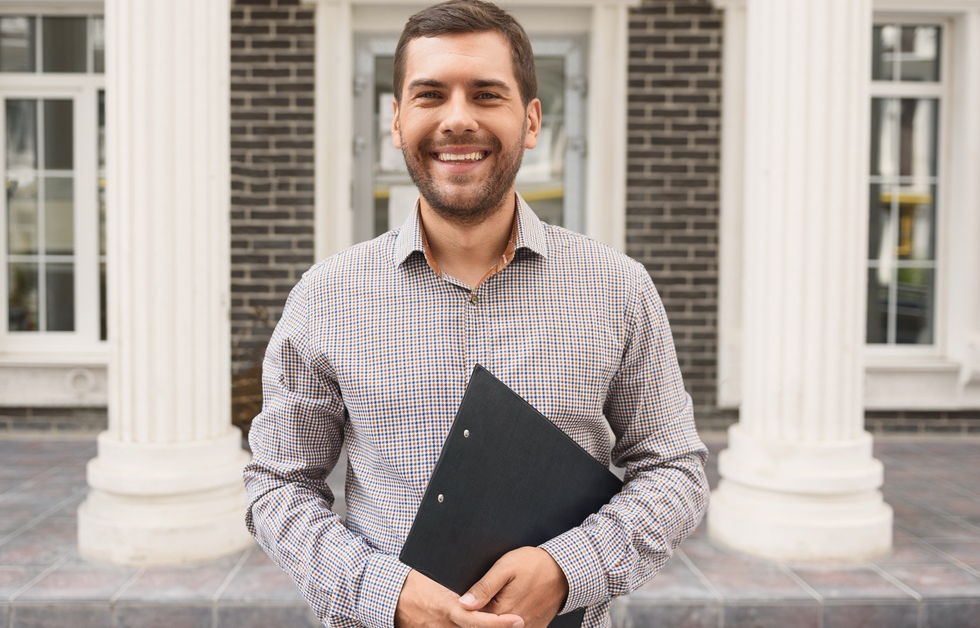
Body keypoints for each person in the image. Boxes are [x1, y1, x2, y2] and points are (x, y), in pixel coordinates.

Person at [243, 1, 709, 626]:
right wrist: (387, 594)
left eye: (487, 94)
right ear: (396, 119)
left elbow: (674, 470)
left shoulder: (616, 288)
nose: (457, 119)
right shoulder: (328, 295)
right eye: (430, 94)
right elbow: (278, 485)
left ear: (532, 119)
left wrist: (570, 570)